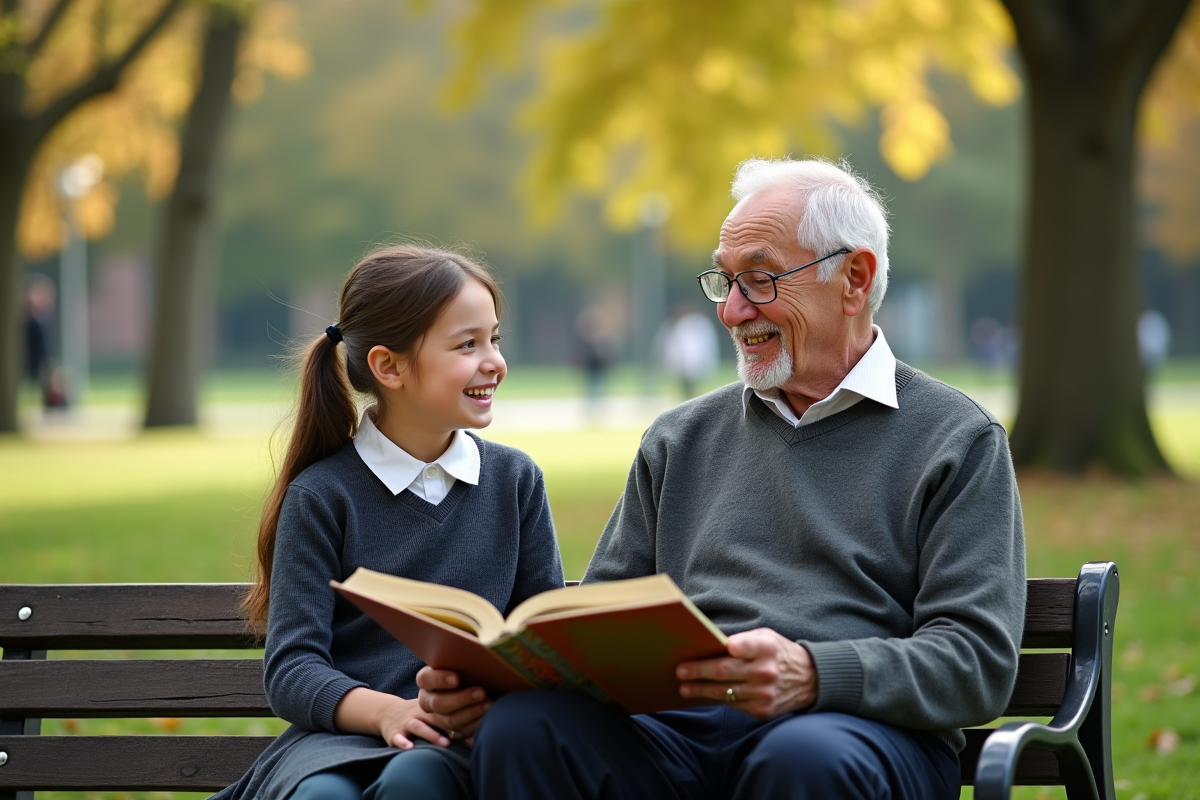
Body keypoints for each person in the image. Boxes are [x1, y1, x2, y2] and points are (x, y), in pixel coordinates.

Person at [419, 158, 1026, 800]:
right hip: (673, 731)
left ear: (855, 278)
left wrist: (814, 674)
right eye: (725, 282)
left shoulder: (957, 439)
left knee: (802, 759)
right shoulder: (680, 438)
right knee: (524, 728)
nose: (733, 312)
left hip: (854, 732)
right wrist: (499, 682)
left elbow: (976, 662)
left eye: (760, 280)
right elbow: (599, 623)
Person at [215, 245, 564, 800]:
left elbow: (541, 641)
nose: (493, 360)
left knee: (416, 782)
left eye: (493, 338)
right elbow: (292, 667)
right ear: (388, 366)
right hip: (339, 737)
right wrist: (387, 713)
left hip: (465, 738)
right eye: (466, 344)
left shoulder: (515, 482)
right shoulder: (323, 496)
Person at [657, 304, 720, 398]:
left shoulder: (696, 324)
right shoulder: (683, 325)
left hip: (689, 363)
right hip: (683, 363)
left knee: (689, 384)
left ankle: (689, 395)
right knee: (686, 384)